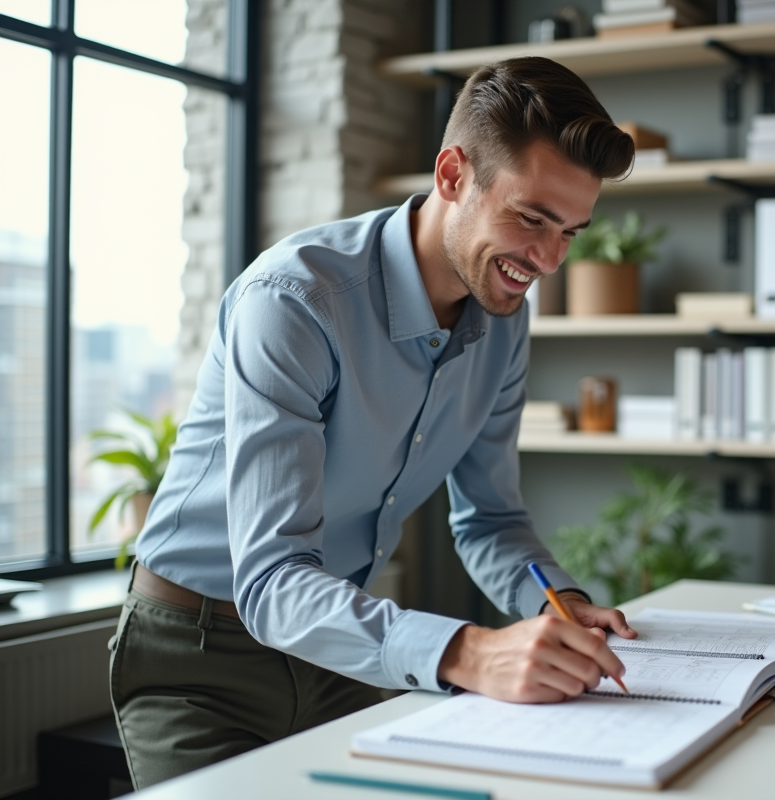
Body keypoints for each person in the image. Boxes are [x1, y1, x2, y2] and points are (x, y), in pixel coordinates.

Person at [109, 56, 639, 789]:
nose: (548, 259)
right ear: (454, 175)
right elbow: (269, 579)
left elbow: (490, 518)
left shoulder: (503, 318)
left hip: (337, 642)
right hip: (198, 655)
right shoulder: (294, 301)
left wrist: (562, 604)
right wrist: (469, 652)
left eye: (571, 233)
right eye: (531, 218)